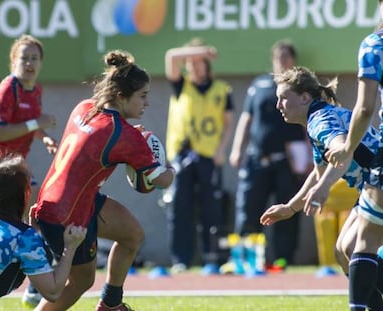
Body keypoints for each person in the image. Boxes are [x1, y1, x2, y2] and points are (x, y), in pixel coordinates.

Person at [31, 50, 174, 311]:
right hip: (66, 214)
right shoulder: (123, 135)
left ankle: (110, 304)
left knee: (132, 235)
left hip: (65, 199)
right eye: (142, 96)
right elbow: (160, 181)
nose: (147, 103)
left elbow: (102, 141)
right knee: (80, 282)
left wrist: (134, 144)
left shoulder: (85, 107)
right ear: (121, 96)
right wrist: (169, 168)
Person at [259, 66, 383, 310]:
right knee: (341, 251)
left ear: (305, 98)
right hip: (371, 184)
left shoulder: (319, 120)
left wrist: (324, 188)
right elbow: (318, 174)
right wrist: (290, 207)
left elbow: (341, 153)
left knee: (351, 248)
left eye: (284, 97)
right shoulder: (318, 119)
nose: (278, 105)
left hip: (377, 181)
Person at [0, 34, 58, 308]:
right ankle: (30, 282)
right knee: (23, 225)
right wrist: (35, 124)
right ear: (12, 61)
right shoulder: (9, 88)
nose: (29, 63)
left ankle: (32, 285)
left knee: (31, 221)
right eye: (23, 57)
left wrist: (44, 136)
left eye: (34, 58)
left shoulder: (35, 90)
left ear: (41, 62)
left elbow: (27, 123)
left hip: (17, 170)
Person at [228, 40, 311, 268]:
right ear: (273, 60)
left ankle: (284, 258)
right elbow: (247, 118)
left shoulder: (299, 86)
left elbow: (307, 123)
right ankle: (244, 260)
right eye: (279, 57)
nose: (283, 61)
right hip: (257, 158)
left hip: (287, 161)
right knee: (249, 209)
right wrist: (237, 149)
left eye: (287, 56)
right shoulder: (259, 84)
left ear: (293, 60)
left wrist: (312, 154)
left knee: (287, 210)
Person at [0, 156, 86, 310]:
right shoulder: (23, 237)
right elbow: (52, 292)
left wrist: (30, 230)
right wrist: (70, 248)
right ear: (25, 194)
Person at [325, 1, 383, 309]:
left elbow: (364, 108)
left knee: (363, 242)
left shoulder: (375, 45)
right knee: (345, 246)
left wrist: (347, 148)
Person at [163, 38, 234, 274]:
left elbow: (228, 124)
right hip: (182, 155)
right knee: (180, 208)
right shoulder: (181, 85)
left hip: (208, 156)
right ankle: (180, 259)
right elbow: (171, 56)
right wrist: (201, 49)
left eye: (199, 61)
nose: (194, 66)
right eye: (190, 62)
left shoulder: (221, 89)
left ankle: (212, 258)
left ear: (207, 64)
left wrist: (220, 151)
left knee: (211, 209)